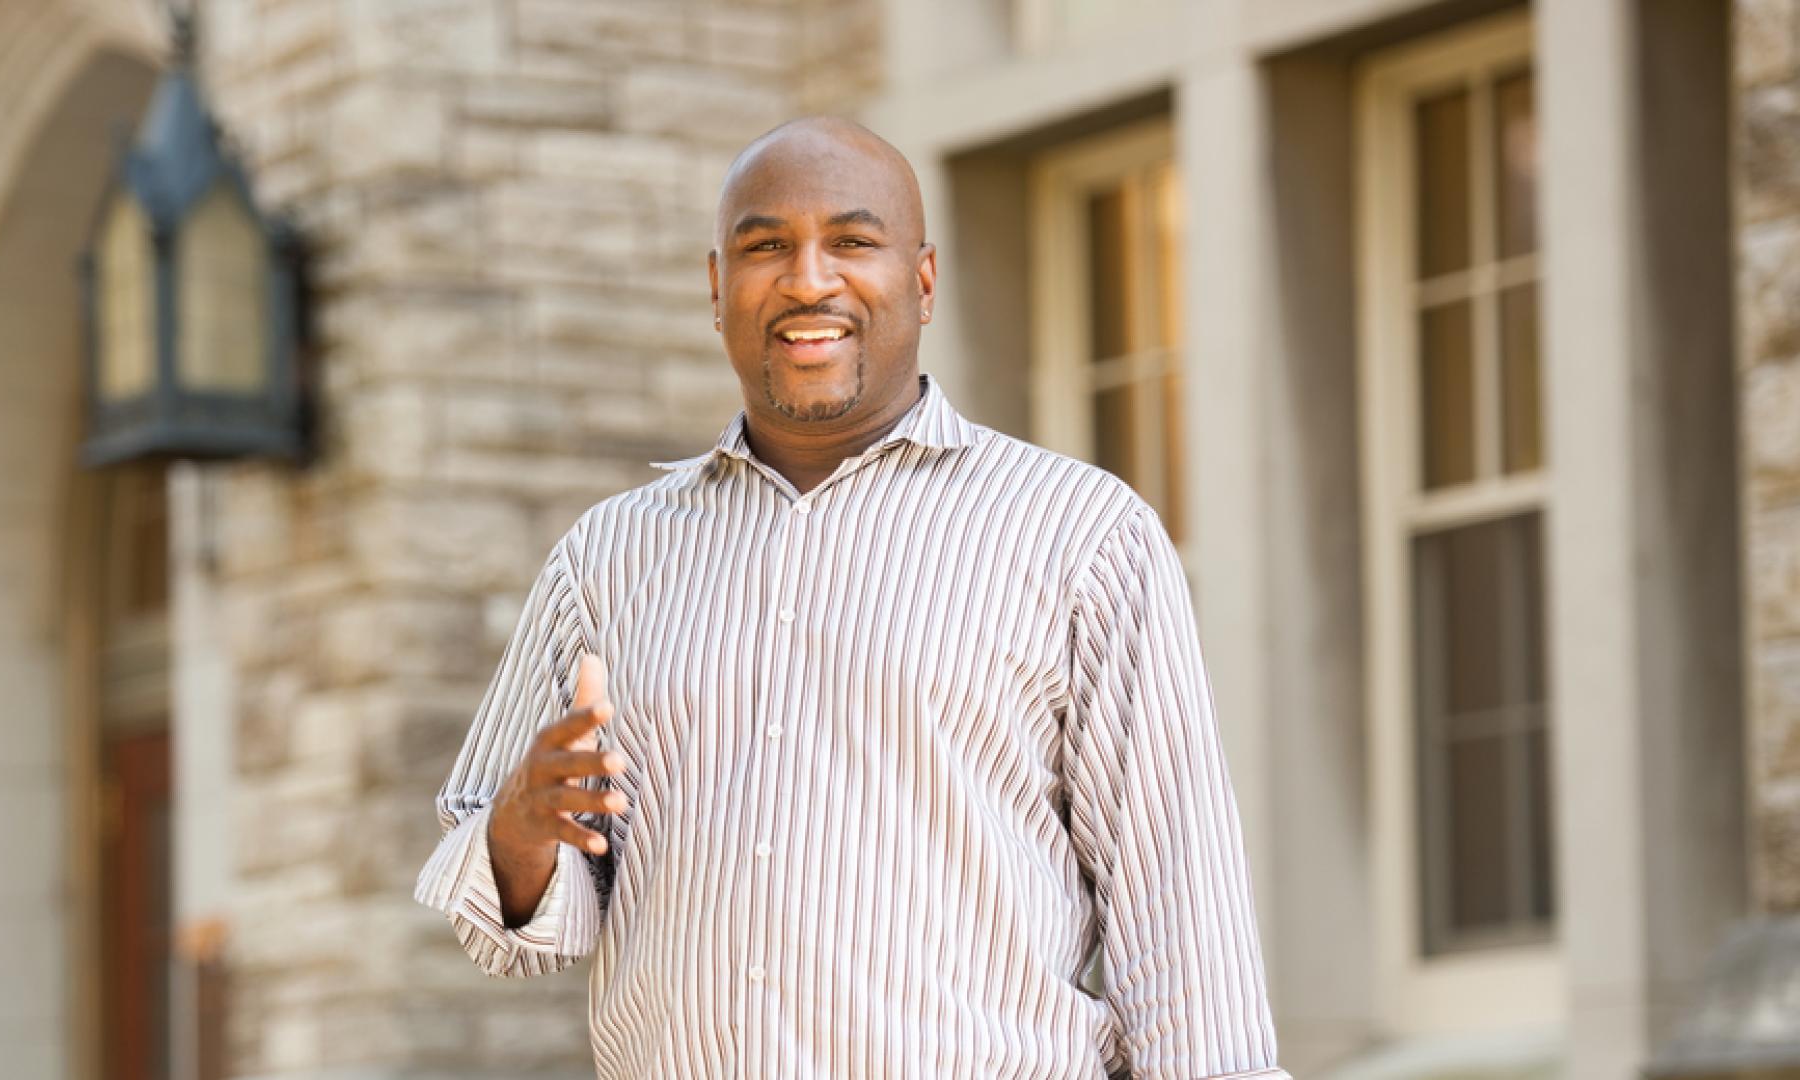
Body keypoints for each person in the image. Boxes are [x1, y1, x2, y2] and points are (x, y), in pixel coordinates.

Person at [415, 115, 1291, 1079]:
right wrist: (518, 831)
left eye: (853, 241)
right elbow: (509, 926)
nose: (807, 280)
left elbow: (1179, 917)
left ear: (921, 280)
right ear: (717, 289)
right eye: (766, 247)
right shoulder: (607, 559)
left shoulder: (1080, 535)